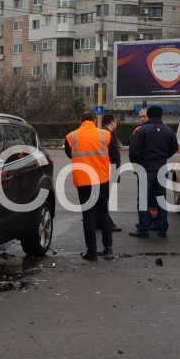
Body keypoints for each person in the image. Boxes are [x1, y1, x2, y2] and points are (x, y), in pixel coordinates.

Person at [65, 111, 114, 261]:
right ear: (94, 120)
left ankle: (91, 252)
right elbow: (111, 154)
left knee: (88, 216)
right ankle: (108, 248)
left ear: (81, 121)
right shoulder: (105, 135)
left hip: (84, 180)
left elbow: (69, 154)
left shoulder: (71, 136)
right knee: (103, 213)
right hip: (102, 179)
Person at [128, 105, 179, 238]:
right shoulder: (168, 130)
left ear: (149, 115)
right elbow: (174, 147)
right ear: (161, 115)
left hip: (145, 168)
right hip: (162, 167)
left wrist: (138, 162)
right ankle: (162, 229)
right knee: (161, 199)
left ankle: (144, 228)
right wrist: (163, 157)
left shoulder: (142, 130)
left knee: (144, 199)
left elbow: (133, 151)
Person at [95, 114, 123, 233]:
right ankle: (106, 222)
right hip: (107, 171)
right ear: (113, 122)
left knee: (100, 198)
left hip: (102, 170)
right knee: (104, 199)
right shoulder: (107, 136)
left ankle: (98, 221)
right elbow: (113, 156)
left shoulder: (101, 134)